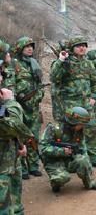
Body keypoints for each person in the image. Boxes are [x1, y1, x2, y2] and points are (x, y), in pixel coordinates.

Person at [50, 36, 96, 168]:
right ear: (72, 49)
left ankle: (95, 158)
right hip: (71, 105)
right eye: (78, 46)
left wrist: (94, 96)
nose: (82, 48)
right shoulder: (65, 62)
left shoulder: (88, 63)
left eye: (84, 45)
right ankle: (73, 160)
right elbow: (54, 77)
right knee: (71, 132)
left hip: (87, 104)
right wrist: (60, 61)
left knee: (91, 130)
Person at [0, 62, 34, 215]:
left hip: (10, 157)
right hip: (3, 165)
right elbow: (12, 126)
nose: (1, 78)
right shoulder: (7, 101)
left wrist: (21, 145)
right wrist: (10, 102)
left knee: (14, 202)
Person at [40, 106, 96, 192]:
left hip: (69, 159)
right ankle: (56, 182)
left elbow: (83, 150)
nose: (82, 126)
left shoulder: (78, 131)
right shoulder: (54, 128)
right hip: (54, 161)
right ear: (73, 122)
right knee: (62, 178)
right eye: (81, 124)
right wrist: (62, 151)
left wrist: (88, 168)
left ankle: (90, 183)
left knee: (83, 160)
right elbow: (43, 148)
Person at [14, 36, 44, 179]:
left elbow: (40, 86)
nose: (30, 48)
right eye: (27, 47)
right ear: (20, 49)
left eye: (31, 46)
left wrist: (37, 98)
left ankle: (33, 166)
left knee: (34, 137)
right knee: (21, 137)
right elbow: (10, 84)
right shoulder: (14, 65)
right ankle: (23, 169)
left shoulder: (34, 63)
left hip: (34, 107)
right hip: (20, 107)